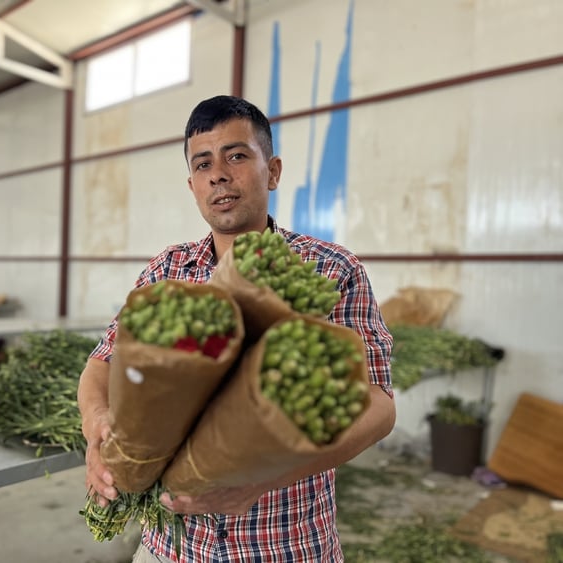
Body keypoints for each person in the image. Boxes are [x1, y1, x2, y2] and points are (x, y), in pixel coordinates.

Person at [77, 95, 396, 562]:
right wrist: (96, 427)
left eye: (237, 156)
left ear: (273, 171)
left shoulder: (330, 270)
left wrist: (262, 480)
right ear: (192, 185)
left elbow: (378, 407)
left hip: (285, 546)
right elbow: (102, 363)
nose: (219, 174)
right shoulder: (167, 270)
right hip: (171, 550)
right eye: (203, 164)